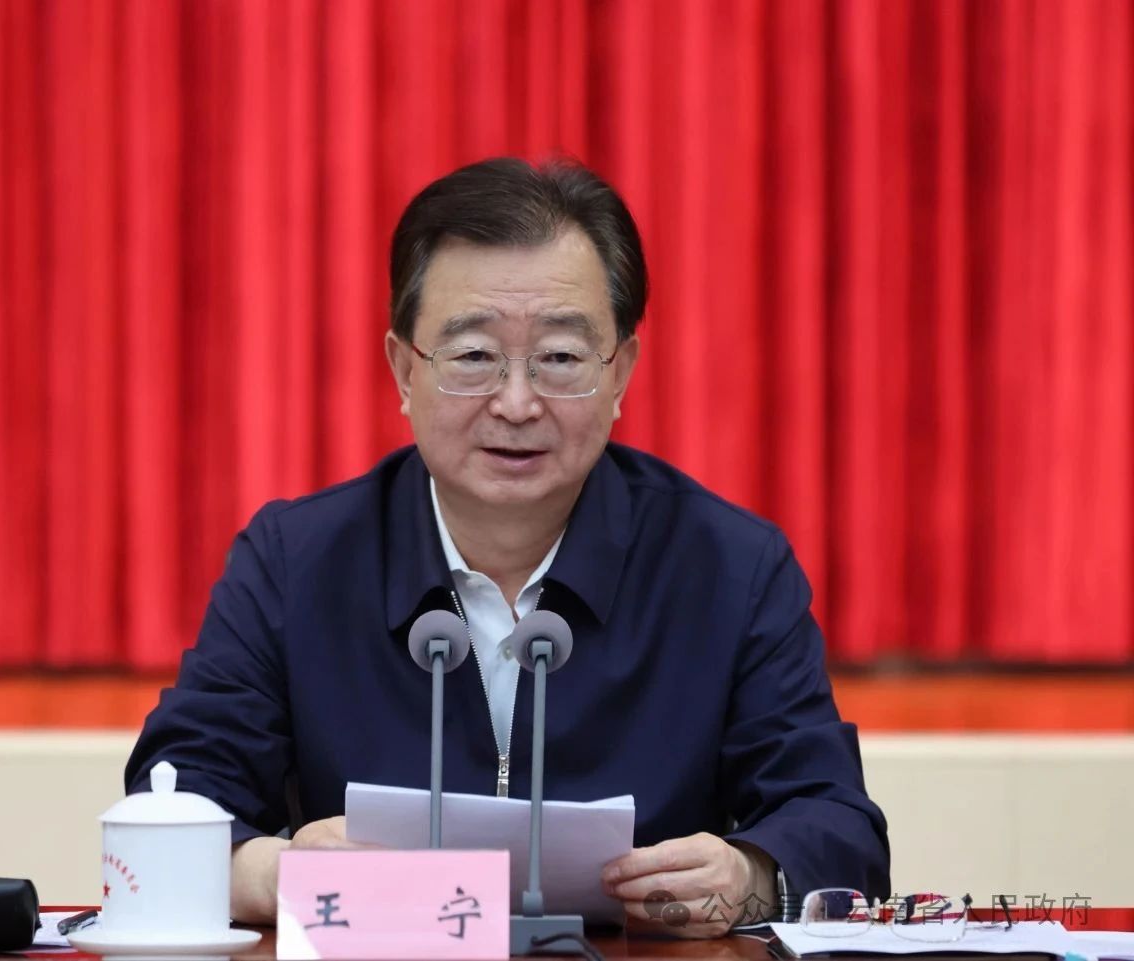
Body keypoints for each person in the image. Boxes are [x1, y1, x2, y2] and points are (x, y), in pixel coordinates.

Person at [124, 157, 890, 939]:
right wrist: (275, 871)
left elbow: (837, 826)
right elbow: (173, 797)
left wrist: (750, 875)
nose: (517, 403)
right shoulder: (296, 563)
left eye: (559, 357)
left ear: (620, 373)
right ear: (404, 370)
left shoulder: (729, 568)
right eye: (473, 357)